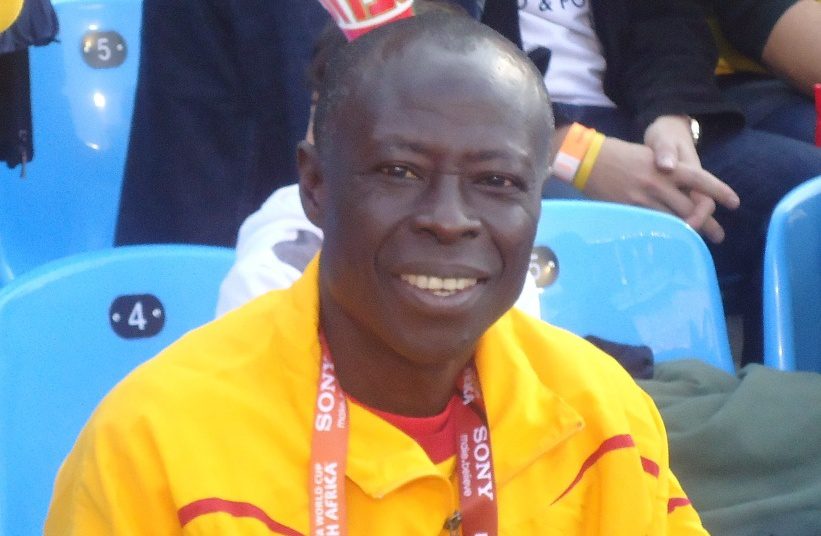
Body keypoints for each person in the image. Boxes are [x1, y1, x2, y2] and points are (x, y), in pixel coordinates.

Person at [46, 12, 706, 534]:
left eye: (497, 182)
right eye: (399, 172)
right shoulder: (154, 442)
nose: (449, 220)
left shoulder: (604, 416)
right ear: (314, 186)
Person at [501, 0, 821, 363]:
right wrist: (579, 154)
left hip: (633, 114)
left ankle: (771, 391)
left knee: (808, 195)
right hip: (517, 136)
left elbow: (665, 20)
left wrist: (671, 116)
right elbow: (456, 55)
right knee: (570, 238)